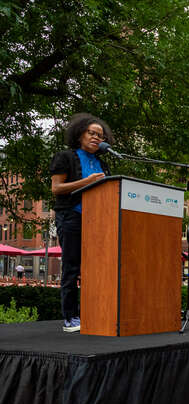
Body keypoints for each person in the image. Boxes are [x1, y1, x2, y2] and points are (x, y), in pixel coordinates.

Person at [50, 113, 113, 332]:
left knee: (96, 268)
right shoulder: (65, 157)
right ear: (80, 135)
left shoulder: (101, 163)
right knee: (72, 266)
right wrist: (86, 181)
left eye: (101, 136)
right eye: (92, 133)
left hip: (98, 222)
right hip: (72, 217)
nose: (97, 138)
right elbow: (56, 188)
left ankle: (93, 313)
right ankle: (70, 317)